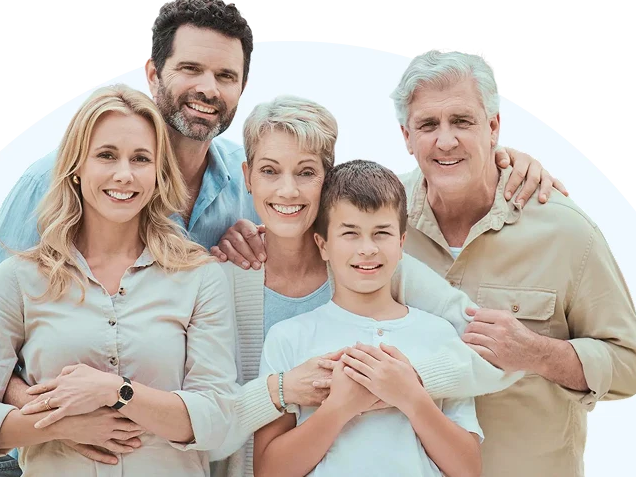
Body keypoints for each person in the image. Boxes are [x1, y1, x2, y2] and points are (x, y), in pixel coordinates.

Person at [0, 0, 562, 475]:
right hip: (22, 458)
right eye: (189, 68)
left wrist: (495, 160)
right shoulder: (59, 183)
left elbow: (370, 202)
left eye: (225, 75)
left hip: (179, 459)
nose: (207, 89)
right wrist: (52, 419)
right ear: (152, 71)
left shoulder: (257, 204)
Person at [206, 96, 523, 477]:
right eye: (270, 171)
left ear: (326, 179)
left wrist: (406, 387)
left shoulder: (393, 273)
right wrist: (288, 391)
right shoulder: (231, 282)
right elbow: (209, 420)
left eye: (306, 172)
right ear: (248, 176)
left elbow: (492, 351)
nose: (288, 190)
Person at [376, 48, 636, 476]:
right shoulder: (377, 222)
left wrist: (536, 353)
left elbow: (631, 365)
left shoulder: (566, 232)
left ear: (493, 127)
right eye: (427, 124)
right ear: (406, 137)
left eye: (462, 121)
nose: (444, 140)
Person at [0, 84, 240, 476]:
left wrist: (118, 391)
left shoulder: (198, 277)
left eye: (141, 159)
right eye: (106, 156)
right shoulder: (20, 279)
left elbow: (219, 420)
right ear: (77, 167)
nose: (124, 174)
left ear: (158, 173)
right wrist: (61, 425)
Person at [253, 159, 485, 477]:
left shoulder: (440, 334)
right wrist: (339, 408)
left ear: (401, 242)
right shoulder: (289, 337)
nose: (367, 249)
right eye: (350, 233)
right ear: (323, 245)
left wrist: (411, 397)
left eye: (381, 233)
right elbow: (269, 470)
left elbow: (469, 468)